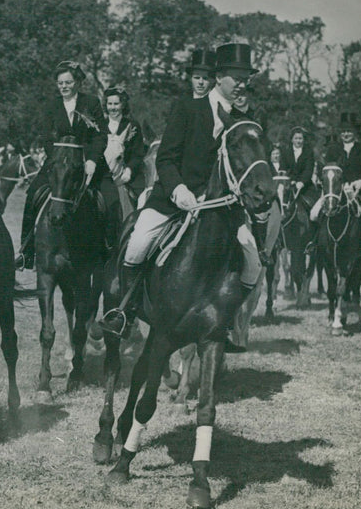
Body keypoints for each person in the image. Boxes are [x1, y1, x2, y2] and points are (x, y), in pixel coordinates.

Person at [99, 43, 266, 351]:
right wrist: (179, 190)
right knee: (136, 246)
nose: (242, 83)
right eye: (236, 76)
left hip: (222, 210)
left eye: (247, 77)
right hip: (175, 200)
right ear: (219, 77)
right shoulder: (189, 108)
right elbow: (165, 158)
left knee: (253, 263)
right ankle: (124, 311)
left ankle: (226, 322)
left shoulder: (246, 116)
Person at [15, 60, 106, 269]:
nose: (64, 86)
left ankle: (106, 248)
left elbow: (100, 136)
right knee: (33, 194)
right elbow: (47, 137)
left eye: (68, 82)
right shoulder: (51, 106)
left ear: (77, 83)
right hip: (58, 162)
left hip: (86, 163)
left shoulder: (91, 103)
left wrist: (92, 160)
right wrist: (57, 159)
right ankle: (26, 251)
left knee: (107, 198)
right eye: (60, 83)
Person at [309, 112, 361, 260]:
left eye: (349, 131)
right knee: (314, 213)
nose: (346, 134)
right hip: (336, 190)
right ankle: (314, 243)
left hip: (359, 192)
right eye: (343, 131)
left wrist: (360, 182)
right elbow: (327, 169)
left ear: (354, 133)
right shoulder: (333, 149)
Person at [97, 85, 147, 243]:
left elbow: (138, 153)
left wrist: (130, 169)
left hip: (126, 172)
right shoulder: (99, 125)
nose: (113, 108)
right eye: (110, 104)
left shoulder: (132, 126)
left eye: (116, 104)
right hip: (103, 173)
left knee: (142, 200)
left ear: (123, 105)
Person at [280, 127, 316, 210]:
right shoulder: (286, 152)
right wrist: (289, 180)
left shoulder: (308, 152)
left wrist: (302, 182)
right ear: (292, 140)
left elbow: (308, 169)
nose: (298, 141)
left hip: (305, 186)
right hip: (289, 184)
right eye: (296, 138)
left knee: (312, 205)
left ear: (303, 140)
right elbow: (283, 168)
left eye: (300, 138)